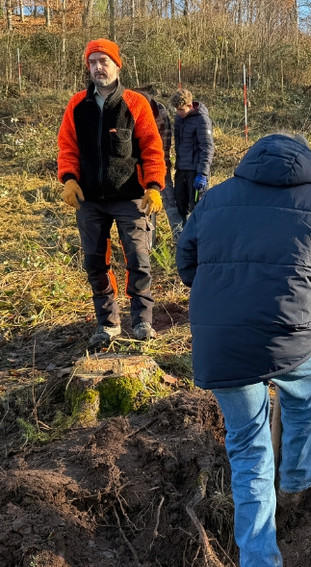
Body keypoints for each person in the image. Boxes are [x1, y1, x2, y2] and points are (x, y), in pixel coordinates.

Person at [176, 133, 311, 567]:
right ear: (307, 162)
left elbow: (187, 264)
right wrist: (307, 286)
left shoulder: (216, 197)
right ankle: (298, 482)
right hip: (291, 334)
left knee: (248, 452)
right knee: (302, 399)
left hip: (222, 342)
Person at [57, 39, 166, 348]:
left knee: (139, 258)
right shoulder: (77, 105)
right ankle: (108, 323)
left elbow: (152, 149)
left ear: (118, 65)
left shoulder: (136, 103)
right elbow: (67, 147)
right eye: (92, 62)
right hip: (89, 199)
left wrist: (154, 186)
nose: (98, 67)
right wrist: (68, 178)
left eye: (103, 60)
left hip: (131, 197)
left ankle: (142, 320)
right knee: (94, 262)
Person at [134, 85, 180, 242]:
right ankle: (146, 239)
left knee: (169, 199)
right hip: (137, 168)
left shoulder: (159, 112)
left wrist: (161, 168)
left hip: (159, 163)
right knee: (141, 204)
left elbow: (164, 143)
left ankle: (180, 236)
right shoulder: (130, 110)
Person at [170, 88, 214, 229]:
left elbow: (207, 147)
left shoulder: (202, 120)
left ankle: (199, 238)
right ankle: (183, 237)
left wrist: (203, 174)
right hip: (181, 169)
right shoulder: (179, 119)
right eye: (177, 110)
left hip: (196, 171)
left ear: (190, 106)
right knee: (180, 204)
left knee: (197, 208)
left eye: (181, 110)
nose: (179, 113)